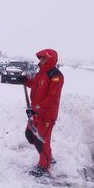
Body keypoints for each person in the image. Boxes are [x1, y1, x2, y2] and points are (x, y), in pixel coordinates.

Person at [23, 49, 64, 177]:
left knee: (41, 141)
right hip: (36, 113)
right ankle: (48, 156)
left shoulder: (56, 75)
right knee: (30, 135)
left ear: (50, 59)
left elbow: (52, 98)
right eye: (40, 58)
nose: (41, 60)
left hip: (46, 115)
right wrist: (25, 81)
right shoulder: (41, 72)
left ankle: (44, 166)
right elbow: (35, 86)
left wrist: (36, 109)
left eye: (43, 58)